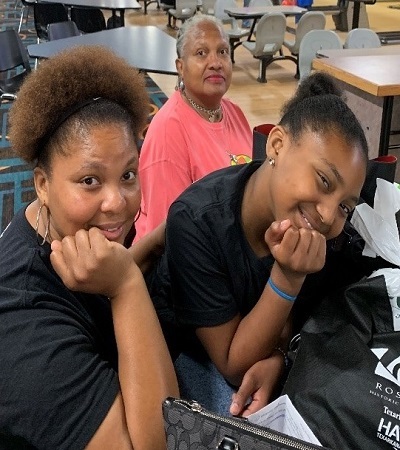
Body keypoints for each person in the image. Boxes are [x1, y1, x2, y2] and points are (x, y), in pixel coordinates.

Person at [146, 71, 369, 416]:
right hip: (186, 350)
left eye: (344, 206)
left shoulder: (329, 240)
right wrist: (288, 278)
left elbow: (321, 319)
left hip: (262, 352)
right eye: (324, 181)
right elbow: (233, 364)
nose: (328, 215)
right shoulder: (198, 223)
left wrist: (283, 357)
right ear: (277, 145)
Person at [0, 45, 178, 449]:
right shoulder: (22, 322)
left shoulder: (66, 229)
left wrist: (150, 243)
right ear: (42, 184)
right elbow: (159, 443)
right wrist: (127, 285)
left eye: (129, 174)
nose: (117, 203)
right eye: (89, 180)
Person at [134, 14, 252, 241]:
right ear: (180, 66)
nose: (216, 62)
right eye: (201, 53)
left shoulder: (234, 112)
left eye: (222, 52)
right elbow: (171, 235)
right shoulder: (169, 132)